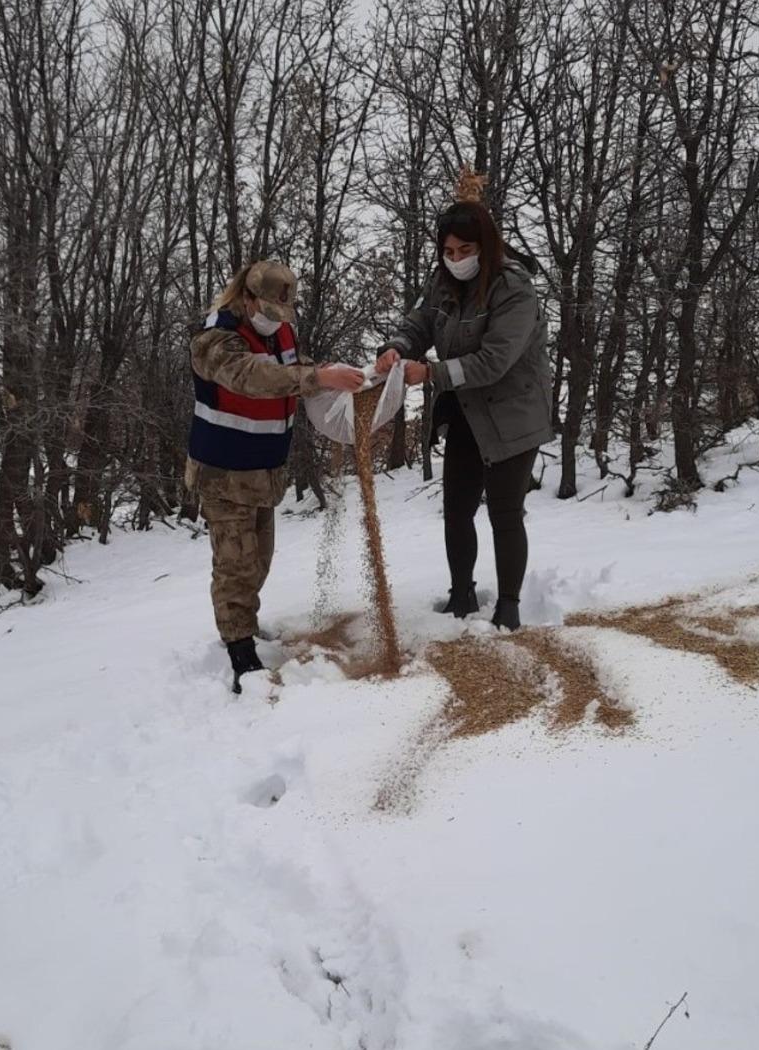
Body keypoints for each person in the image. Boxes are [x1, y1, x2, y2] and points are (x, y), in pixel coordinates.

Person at [375, 190, 552, 631]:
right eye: (448, 251)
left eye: (465, 251)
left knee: (505, 513)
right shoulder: (442, 282)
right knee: (456, 508)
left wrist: (430, 373)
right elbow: (419, 323)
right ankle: (461, 594)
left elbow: (494, 360)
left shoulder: (514, 288)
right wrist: (396, 349)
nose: (456, 259)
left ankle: (508, 605)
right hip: (466, 413)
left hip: (512, 413)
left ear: (485, 247)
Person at [186, 260, 364, 693]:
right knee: (235, 564)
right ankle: (239, 650)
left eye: (282, 313)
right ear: (246, 299)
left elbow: (296, 370)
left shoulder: (282, 332)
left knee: (258, 560)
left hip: (262, 473)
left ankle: (243, 624)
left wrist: (336, 382)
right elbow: (251, 376)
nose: (274, 322)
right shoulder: (215, 336)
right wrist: (316, 377)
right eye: (266, 311)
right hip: (223, 474)